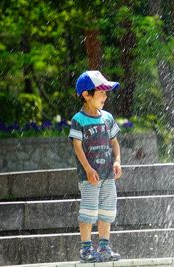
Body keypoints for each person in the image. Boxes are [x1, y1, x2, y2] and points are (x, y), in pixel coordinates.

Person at [68, 70, 122, 263]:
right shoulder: (78, 120)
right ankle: (86, 249)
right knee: (89, 211)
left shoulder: (107, 117)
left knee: (107, 210)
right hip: (90, 176)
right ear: (86, 94)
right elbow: (77, 146)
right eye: (102, 93)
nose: (105, 97)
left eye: (106, 93)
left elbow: (114, 142)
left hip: (107, 175)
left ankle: (104, 246)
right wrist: (88, 169)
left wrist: (117, 161)